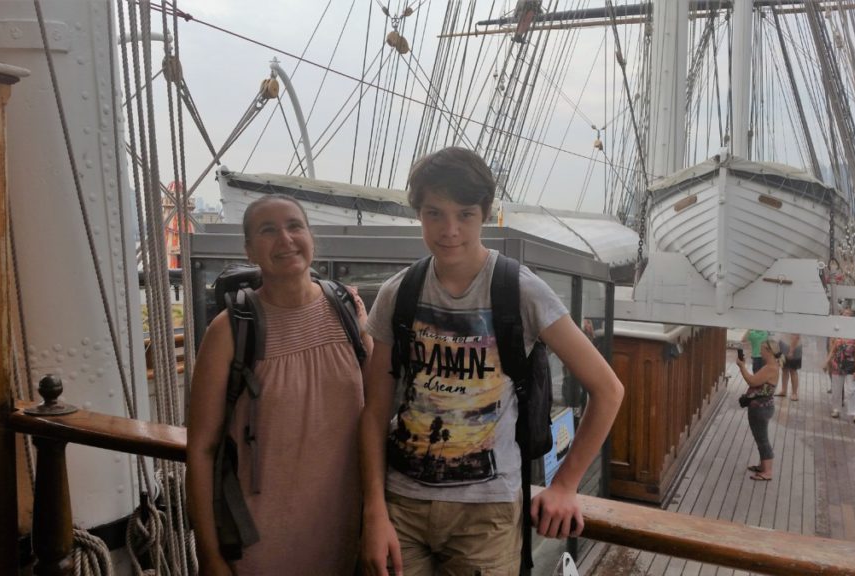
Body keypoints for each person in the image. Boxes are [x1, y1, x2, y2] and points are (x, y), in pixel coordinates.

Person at [358, 147, 624, 576]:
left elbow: (608, 389)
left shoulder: (520, 291)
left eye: (464, 214)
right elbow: (374, 411)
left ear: (485, 213)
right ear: (419, 215)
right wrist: (374, 511)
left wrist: (566, 484)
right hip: (402, 506)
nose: (449, 230)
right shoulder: (398, 293)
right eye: (434, 214)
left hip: (487, 517)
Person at [186, 195, 372, 576]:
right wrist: (209, 555)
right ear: (250, 250)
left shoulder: (347, 310)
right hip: (261, 539)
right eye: (267, 231)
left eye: (294, 226)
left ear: (311, 237)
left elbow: (376, 416)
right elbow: (202, 450)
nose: (285, 239)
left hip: (346, 528)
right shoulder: (229, 330)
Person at [735, 338, 781, 481]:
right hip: (763, 407)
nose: (759, 351)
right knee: (761, 438)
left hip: (761, 409)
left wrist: (742, 367)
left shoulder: (770, 368)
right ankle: (763, 466)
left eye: (761, 349)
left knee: (762, 439)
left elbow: (752, 381)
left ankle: (767, 472)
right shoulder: (772, 365)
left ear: (768, 351)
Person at [823, 308, 855, 424]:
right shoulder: (836, 332)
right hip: (837, 364)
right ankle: (836, 409)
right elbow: (832, 351)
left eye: (848, 314)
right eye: (844, 314)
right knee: (836, 389)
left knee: (852, 389)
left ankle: (854, 413)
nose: (845, 316)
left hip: (851, 365)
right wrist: (827, 363)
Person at [776, 333, 802, 400]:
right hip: (784, 346)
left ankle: (794, 393)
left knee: (793, 371)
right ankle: (784, 390)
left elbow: (796, 336)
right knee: (784, 369)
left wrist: (791, 351)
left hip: (793, 348)